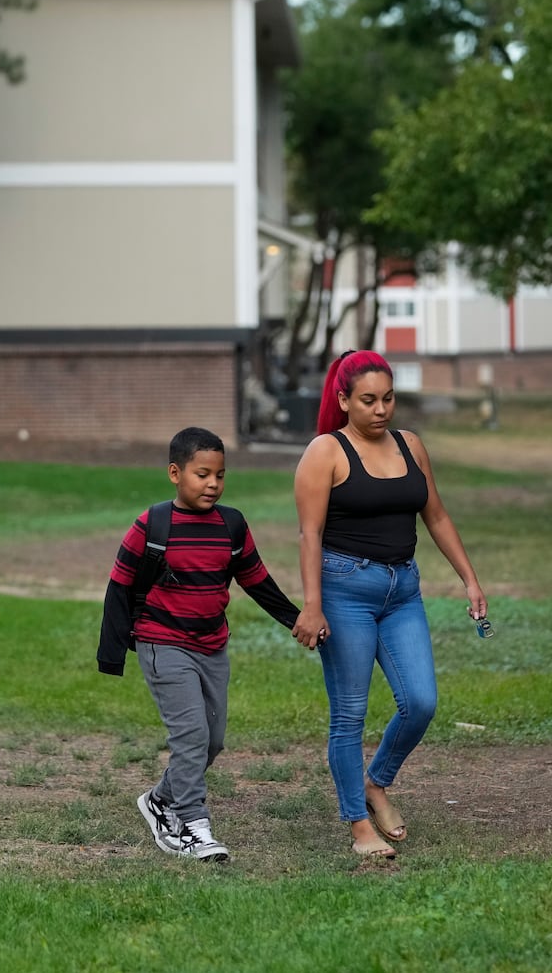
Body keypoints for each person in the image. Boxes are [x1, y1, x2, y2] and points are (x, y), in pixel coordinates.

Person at [293, 351, 487, 859]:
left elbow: (437, 516)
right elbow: (309, 534)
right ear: (343, 400)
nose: (381, 410)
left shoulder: (410, 446)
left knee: (421, 702)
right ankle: (358, 824)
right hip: (344, 591)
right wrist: (312, 606)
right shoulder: (325, 452)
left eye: (388, 398)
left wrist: (469, 580)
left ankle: (376, 782)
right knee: (349, 715)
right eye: (368, 400)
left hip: (403, 591)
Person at [98, 426, 321, 862]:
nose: (213, 484)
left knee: (212, 740)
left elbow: (257, 581)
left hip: (211, 646)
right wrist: (112, 654)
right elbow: (118, 586)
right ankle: (191, 826)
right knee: (191, 735)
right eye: (202, 474)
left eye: (220, 475)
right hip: (162, 643)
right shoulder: (152, 524)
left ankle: (160, 799)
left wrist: (298, 619)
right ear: (175, 473)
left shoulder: (231, 525)